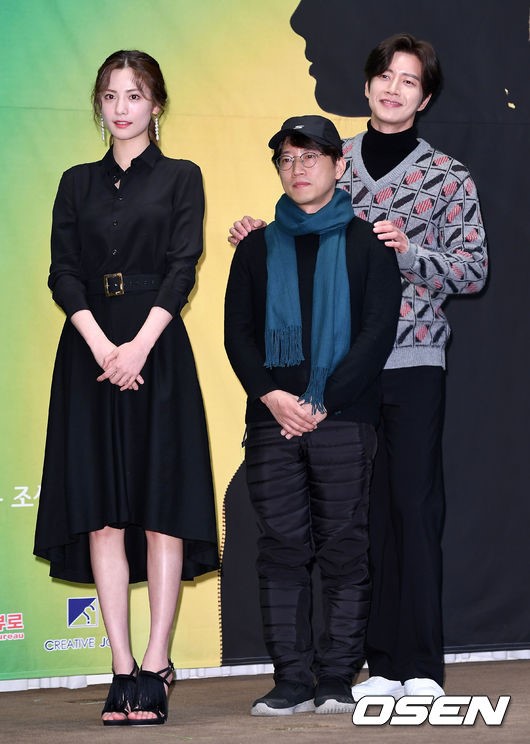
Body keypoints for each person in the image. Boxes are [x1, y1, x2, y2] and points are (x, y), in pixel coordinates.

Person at [228, 34, 488, 700]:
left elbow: (473, 270)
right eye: (385, 77)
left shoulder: (448, 175)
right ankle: (376, 663)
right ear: (368, 85)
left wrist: (412, 253)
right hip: (337, 373)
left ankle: (419, 666)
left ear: (425, 98)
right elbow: (298, 234)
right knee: (358, 521)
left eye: (409, 81)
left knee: (413, 508)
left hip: (411, 359)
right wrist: (261, 238)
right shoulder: (330, 156)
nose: (394, 89)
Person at [33, 50, 219, 726]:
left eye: (134, 95)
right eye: (110, 95)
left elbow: (183, 265)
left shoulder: (181, 177)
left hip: (156, 349)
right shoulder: (75, 182)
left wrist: (138, 346)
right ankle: (119, 667)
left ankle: (156, 663)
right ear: (99, 104)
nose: (121, 107)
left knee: (162, 509)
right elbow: (62, 271)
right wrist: (102, 346)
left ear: (155, 104)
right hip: (89, 353)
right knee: (103, 515)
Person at [225, 115, 401, 715]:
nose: (297, 169)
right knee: (280, 549)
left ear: (338, 165)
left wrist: (322, 401)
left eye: (310, 157)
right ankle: (292, 680)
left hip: (344, 419)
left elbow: (376, 335)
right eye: (287, 159)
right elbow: (238, 335)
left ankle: (336, 678)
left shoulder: (369, 245)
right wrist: (273, 396)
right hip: (271, 420)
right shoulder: (255, 247)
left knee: (345, 549)